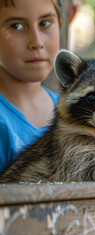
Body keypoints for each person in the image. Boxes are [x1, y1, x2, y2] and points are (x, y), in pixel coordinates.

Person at [0, 0, 64, 173]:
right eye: (16, 26)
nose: (36, 42)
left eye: (45, 23)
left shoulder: (77, 108)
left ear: (60, 24)